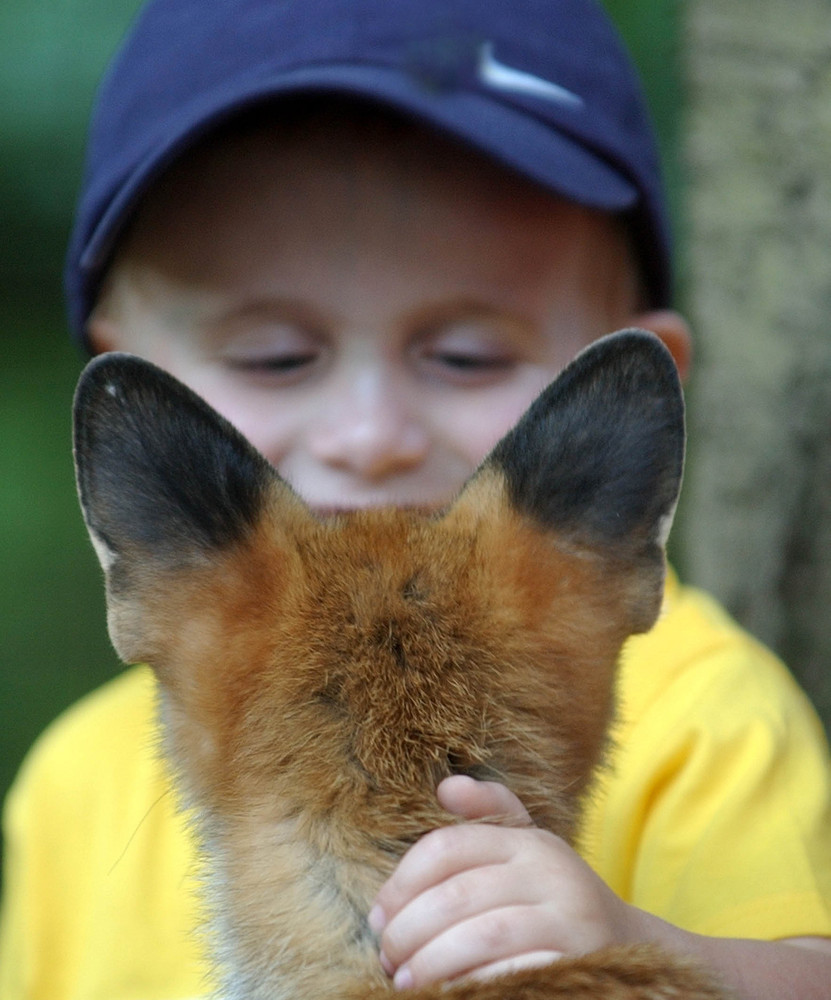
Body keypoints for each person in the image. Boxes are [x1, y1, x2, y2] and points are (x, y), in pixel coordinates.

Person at [2, 0, 830, 997]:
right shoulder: (68, 788)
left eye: (466, 355)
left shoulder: (701, 715)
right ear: (129, 381)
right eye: (275, 356)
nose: (370, 434)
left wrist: (642, 946)